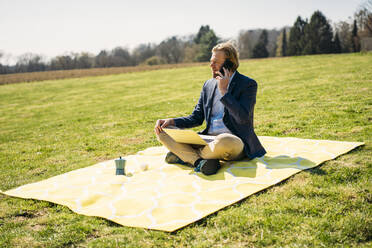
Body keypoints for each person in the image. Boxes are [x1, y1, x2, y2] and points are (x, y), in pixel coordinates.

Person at [154, 42, 266, 175]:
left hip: (233, 141)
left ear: (229, 63)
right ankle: (199, 162)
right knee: (163, 131)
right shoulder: (208, 85)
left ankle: (185, 157)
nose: (211, 65)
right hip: (207, 141)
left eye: (215, 62)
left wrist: (224, 92)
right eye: (211, 61)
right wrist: (172, 121)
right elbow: (196, 117)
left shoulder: (248, 84)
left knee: (225, 140)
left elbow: (243, 118)